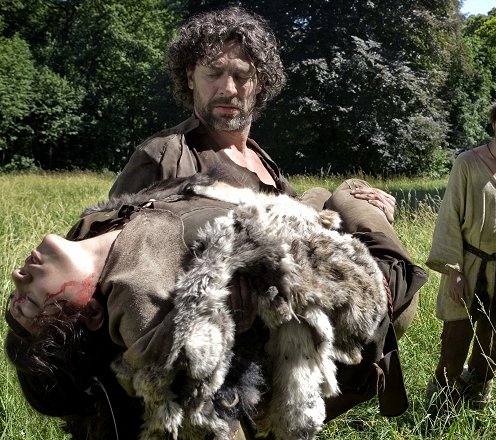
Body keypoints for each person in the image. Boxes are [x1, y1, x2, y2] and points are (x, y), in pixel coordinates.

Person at [5, 172, 426, 440]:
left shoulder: (90, 228)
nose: (16, 280)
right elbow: (183, 399)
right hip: (362, 285)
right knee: (352, 194)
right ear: (91, 313)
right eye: (27, 307)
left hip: (286, 216)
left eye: (12, 301)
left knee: (319, 193)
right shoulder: (136, 294)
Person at [108, 6, 418, 335]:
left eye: (242, 77)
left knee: (337, 196)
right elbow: (114, 259)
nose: (228, 88)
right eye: (214, 73)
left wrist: (373, 213)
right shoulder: (165, 155)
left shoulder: (265, 164)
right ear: (189, 77)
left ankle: (382, 281)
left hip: (302, 307)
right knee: (335, 196)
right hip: (229, 336)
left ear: (260, 83)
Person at [425, 94, 496, 417]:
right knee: (455, 341)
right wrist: (453, 270)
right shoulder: (467, 163)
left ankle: (475, 404)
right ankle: (440, 406)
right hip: (468, 264)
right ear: (493, 124)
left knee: (492, 346)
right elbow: (449, 217)